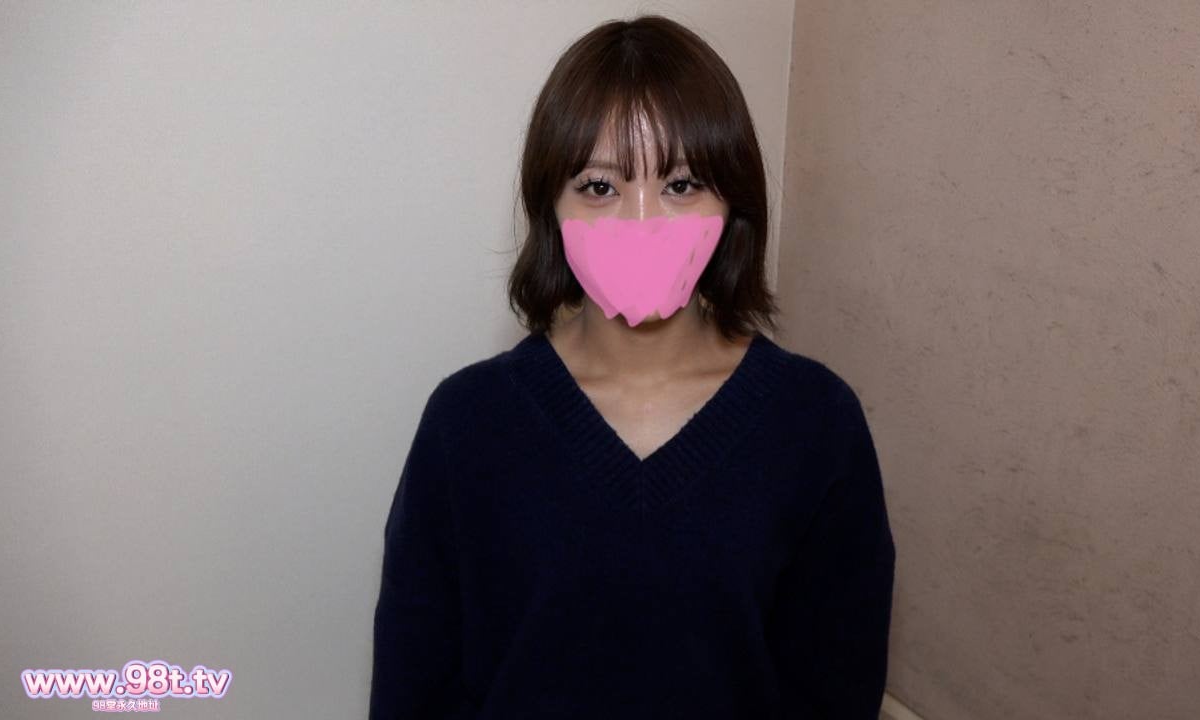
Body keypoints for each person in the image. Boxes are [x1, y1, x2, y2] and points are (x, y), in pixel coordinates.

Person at [369, 14, 895, 720]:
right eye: (599, 187)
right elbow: (413, 685)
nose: (641, 222)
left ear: (732, 204)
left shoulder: (816, 423)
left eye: (681, 184)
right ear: (550, 207)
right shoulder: (466, 422)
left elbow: (835, 689)